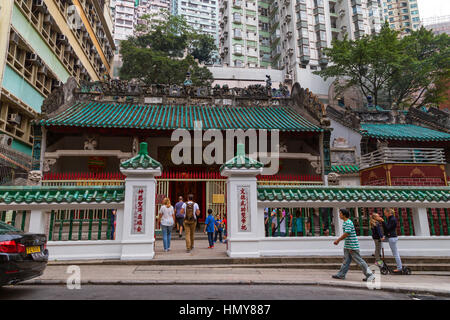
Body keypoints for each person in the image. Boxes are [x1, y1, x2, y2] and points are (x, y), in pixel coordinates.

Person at [332, 208, 375, 282]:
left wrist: (338, 240)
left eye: (340, 213)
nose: (339, 215)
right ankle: (341, 274)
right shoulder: (346, 222)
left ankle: (370, 275)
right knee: (346, 261)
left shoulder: (348, 222)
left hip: (352, 246)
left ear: (344, 215)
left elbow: (347, 233)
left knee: (359, 261)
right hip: (348, 245)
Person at [376, 208, 403, 273]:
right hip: (390, 237)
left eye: (385, 213)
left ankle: (399, 268)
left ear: (388, 213)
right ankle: (378, 258)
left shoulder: (392, 219)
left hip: (392, 238)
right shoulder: (390, 219)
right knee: (379, 240)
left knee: (395, 253)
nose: (385, 215)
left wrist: (382, 221)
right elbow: (386, 229)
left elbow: (388, 228)